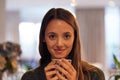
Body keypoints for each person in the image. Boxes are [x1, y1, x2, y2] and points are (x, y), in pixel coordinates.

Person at [21, 8, 105, 80]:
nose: (59, 44)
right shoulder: (30, 77)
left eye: (67, 36)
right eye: (52, 36)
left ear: (74, 37)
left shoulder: (94, 75)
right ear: (43, 37)